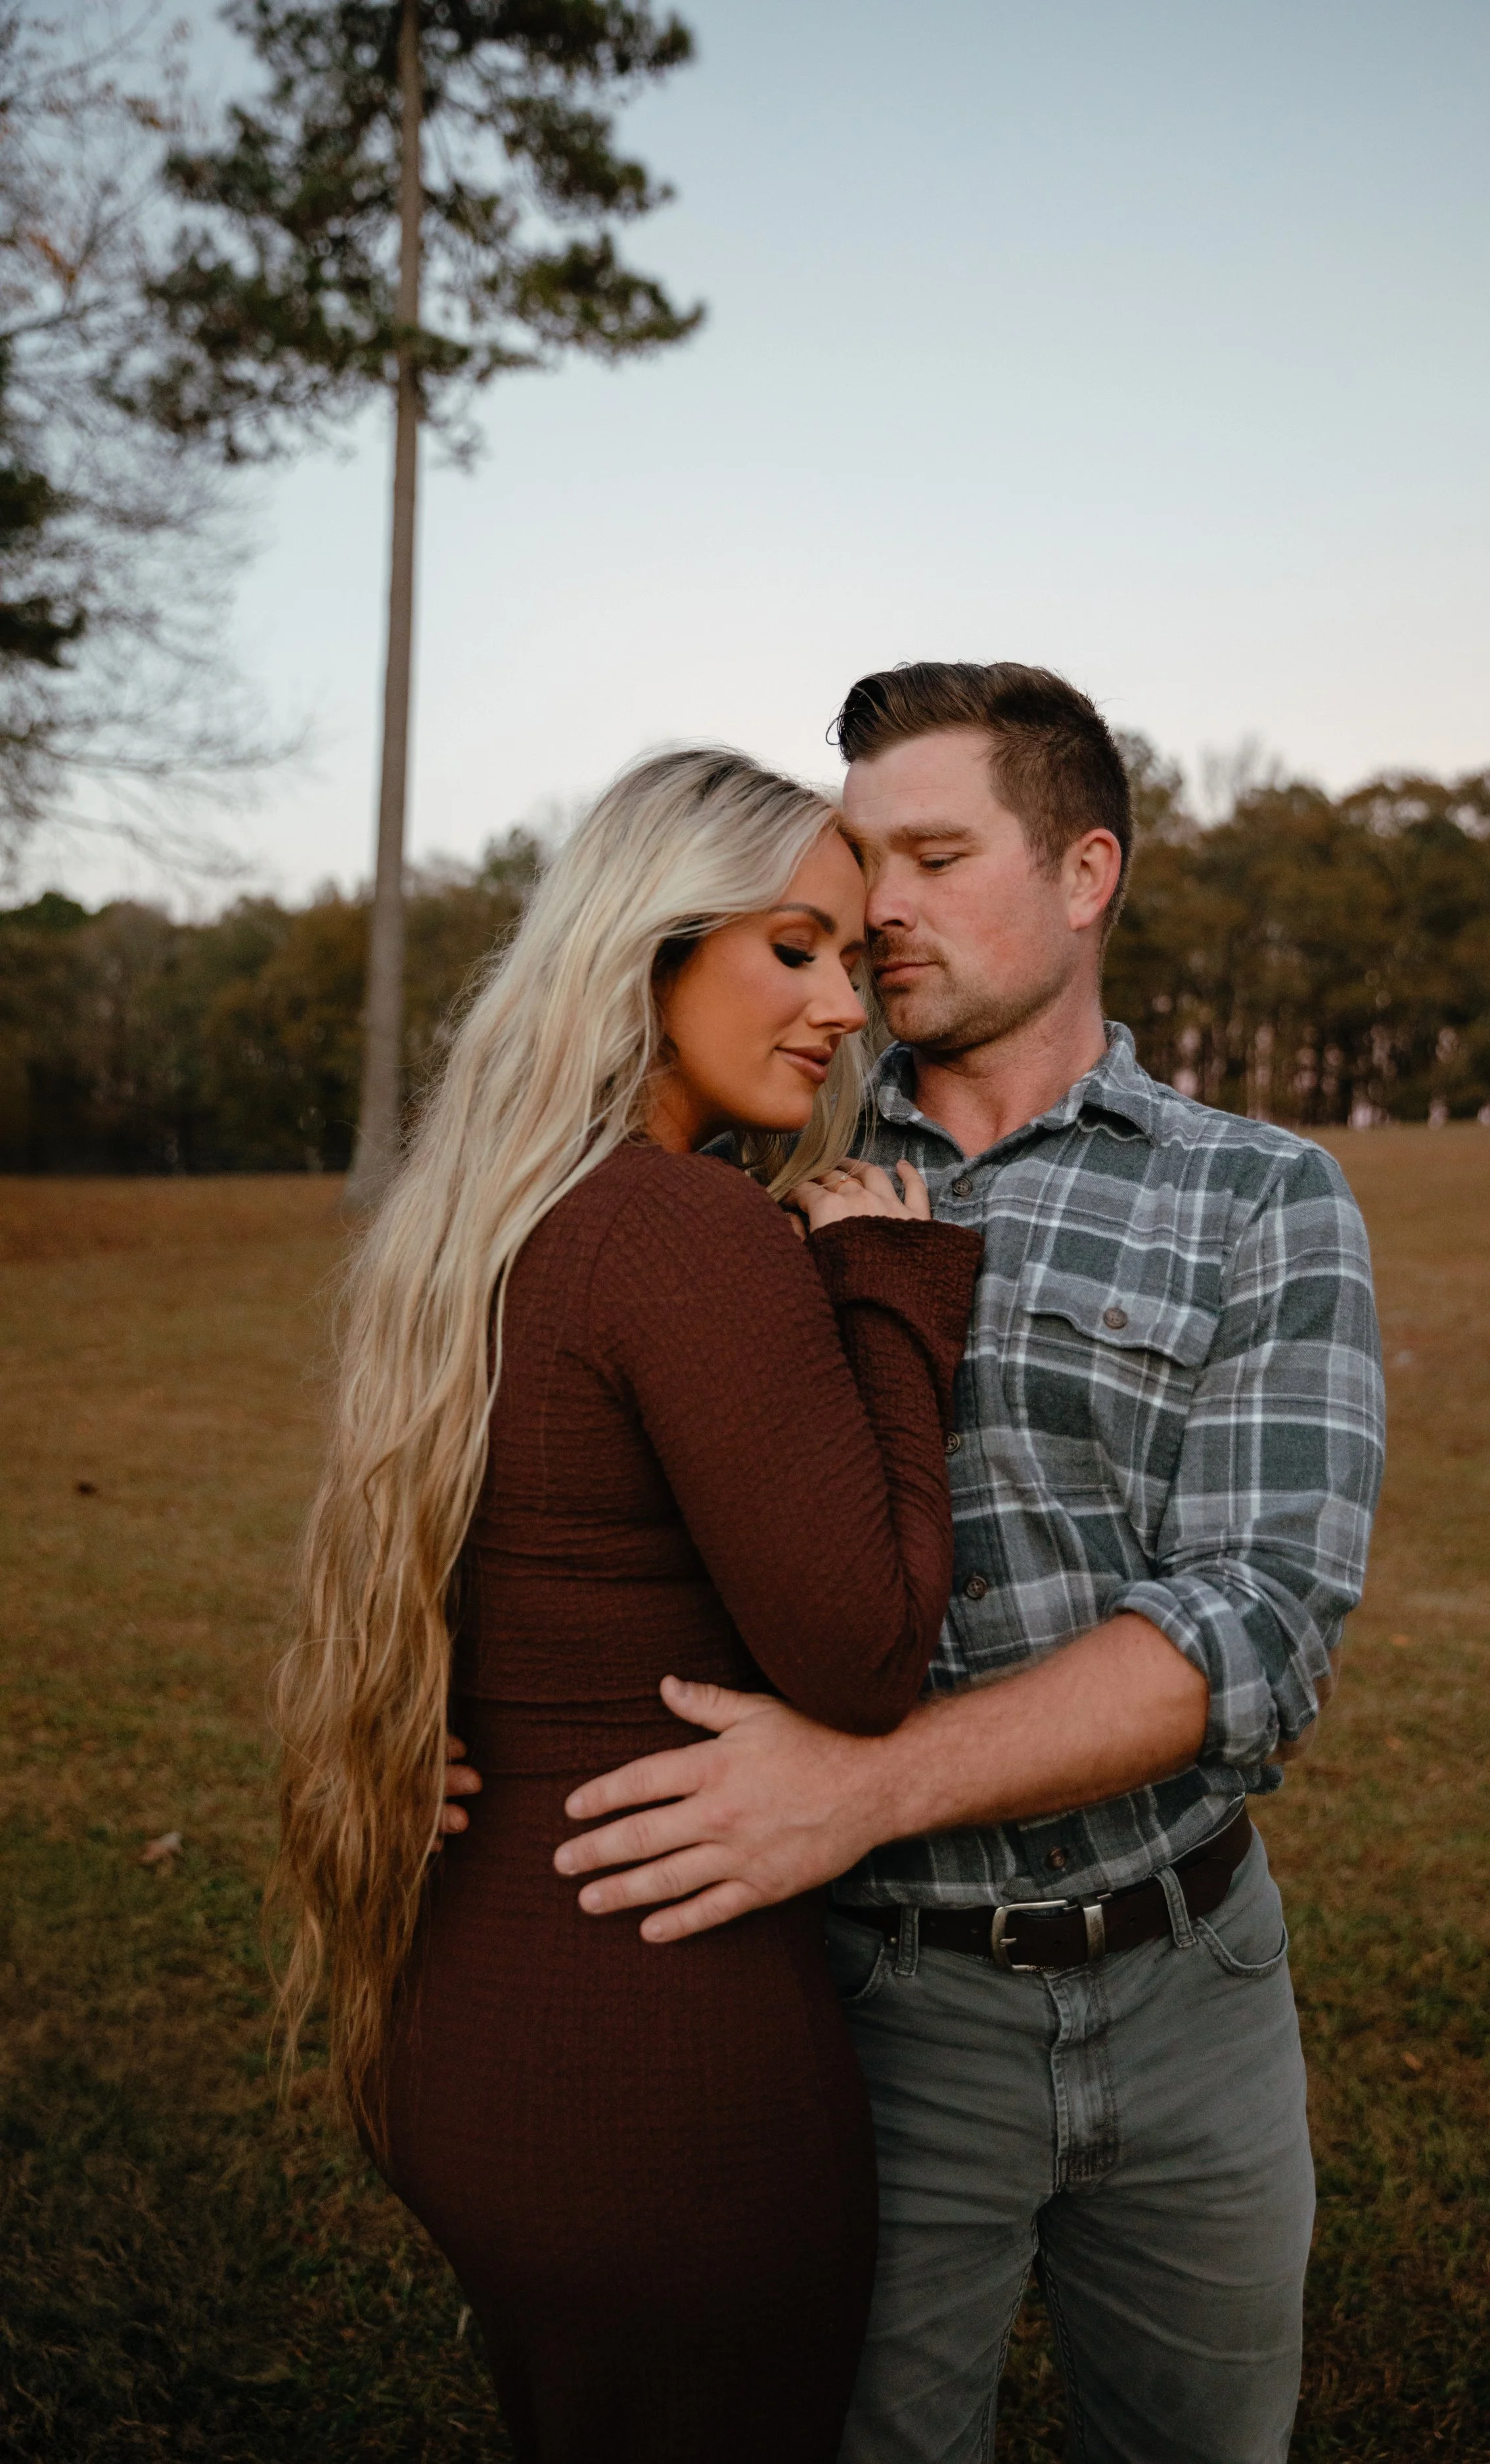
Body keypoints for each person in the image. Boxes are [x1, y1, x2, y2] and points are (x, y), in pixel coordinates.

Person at [520, 667, 1387, 2463]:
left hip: (1192, 1977)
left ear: (1084, 874)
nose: (880, 910)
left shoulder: (1258, 1192)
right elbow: (555, 1472)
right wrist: (469, 1711)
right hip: (870, 1999)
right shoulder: (759, 1164)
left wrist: (861, 1786)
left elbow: (1253, 1625)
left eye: (932, 852)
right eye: (859, 866)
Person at [269, 748, 983, 2464]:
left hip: (478, 2025)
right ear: (649, 949)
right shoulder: (686, 1232)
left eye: (852, 965)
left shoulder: (484, 1215)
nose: (840, 1010)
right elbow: (865, 1651)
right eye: (791, 947)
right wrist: (886, 1295)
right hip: (658, 2084)